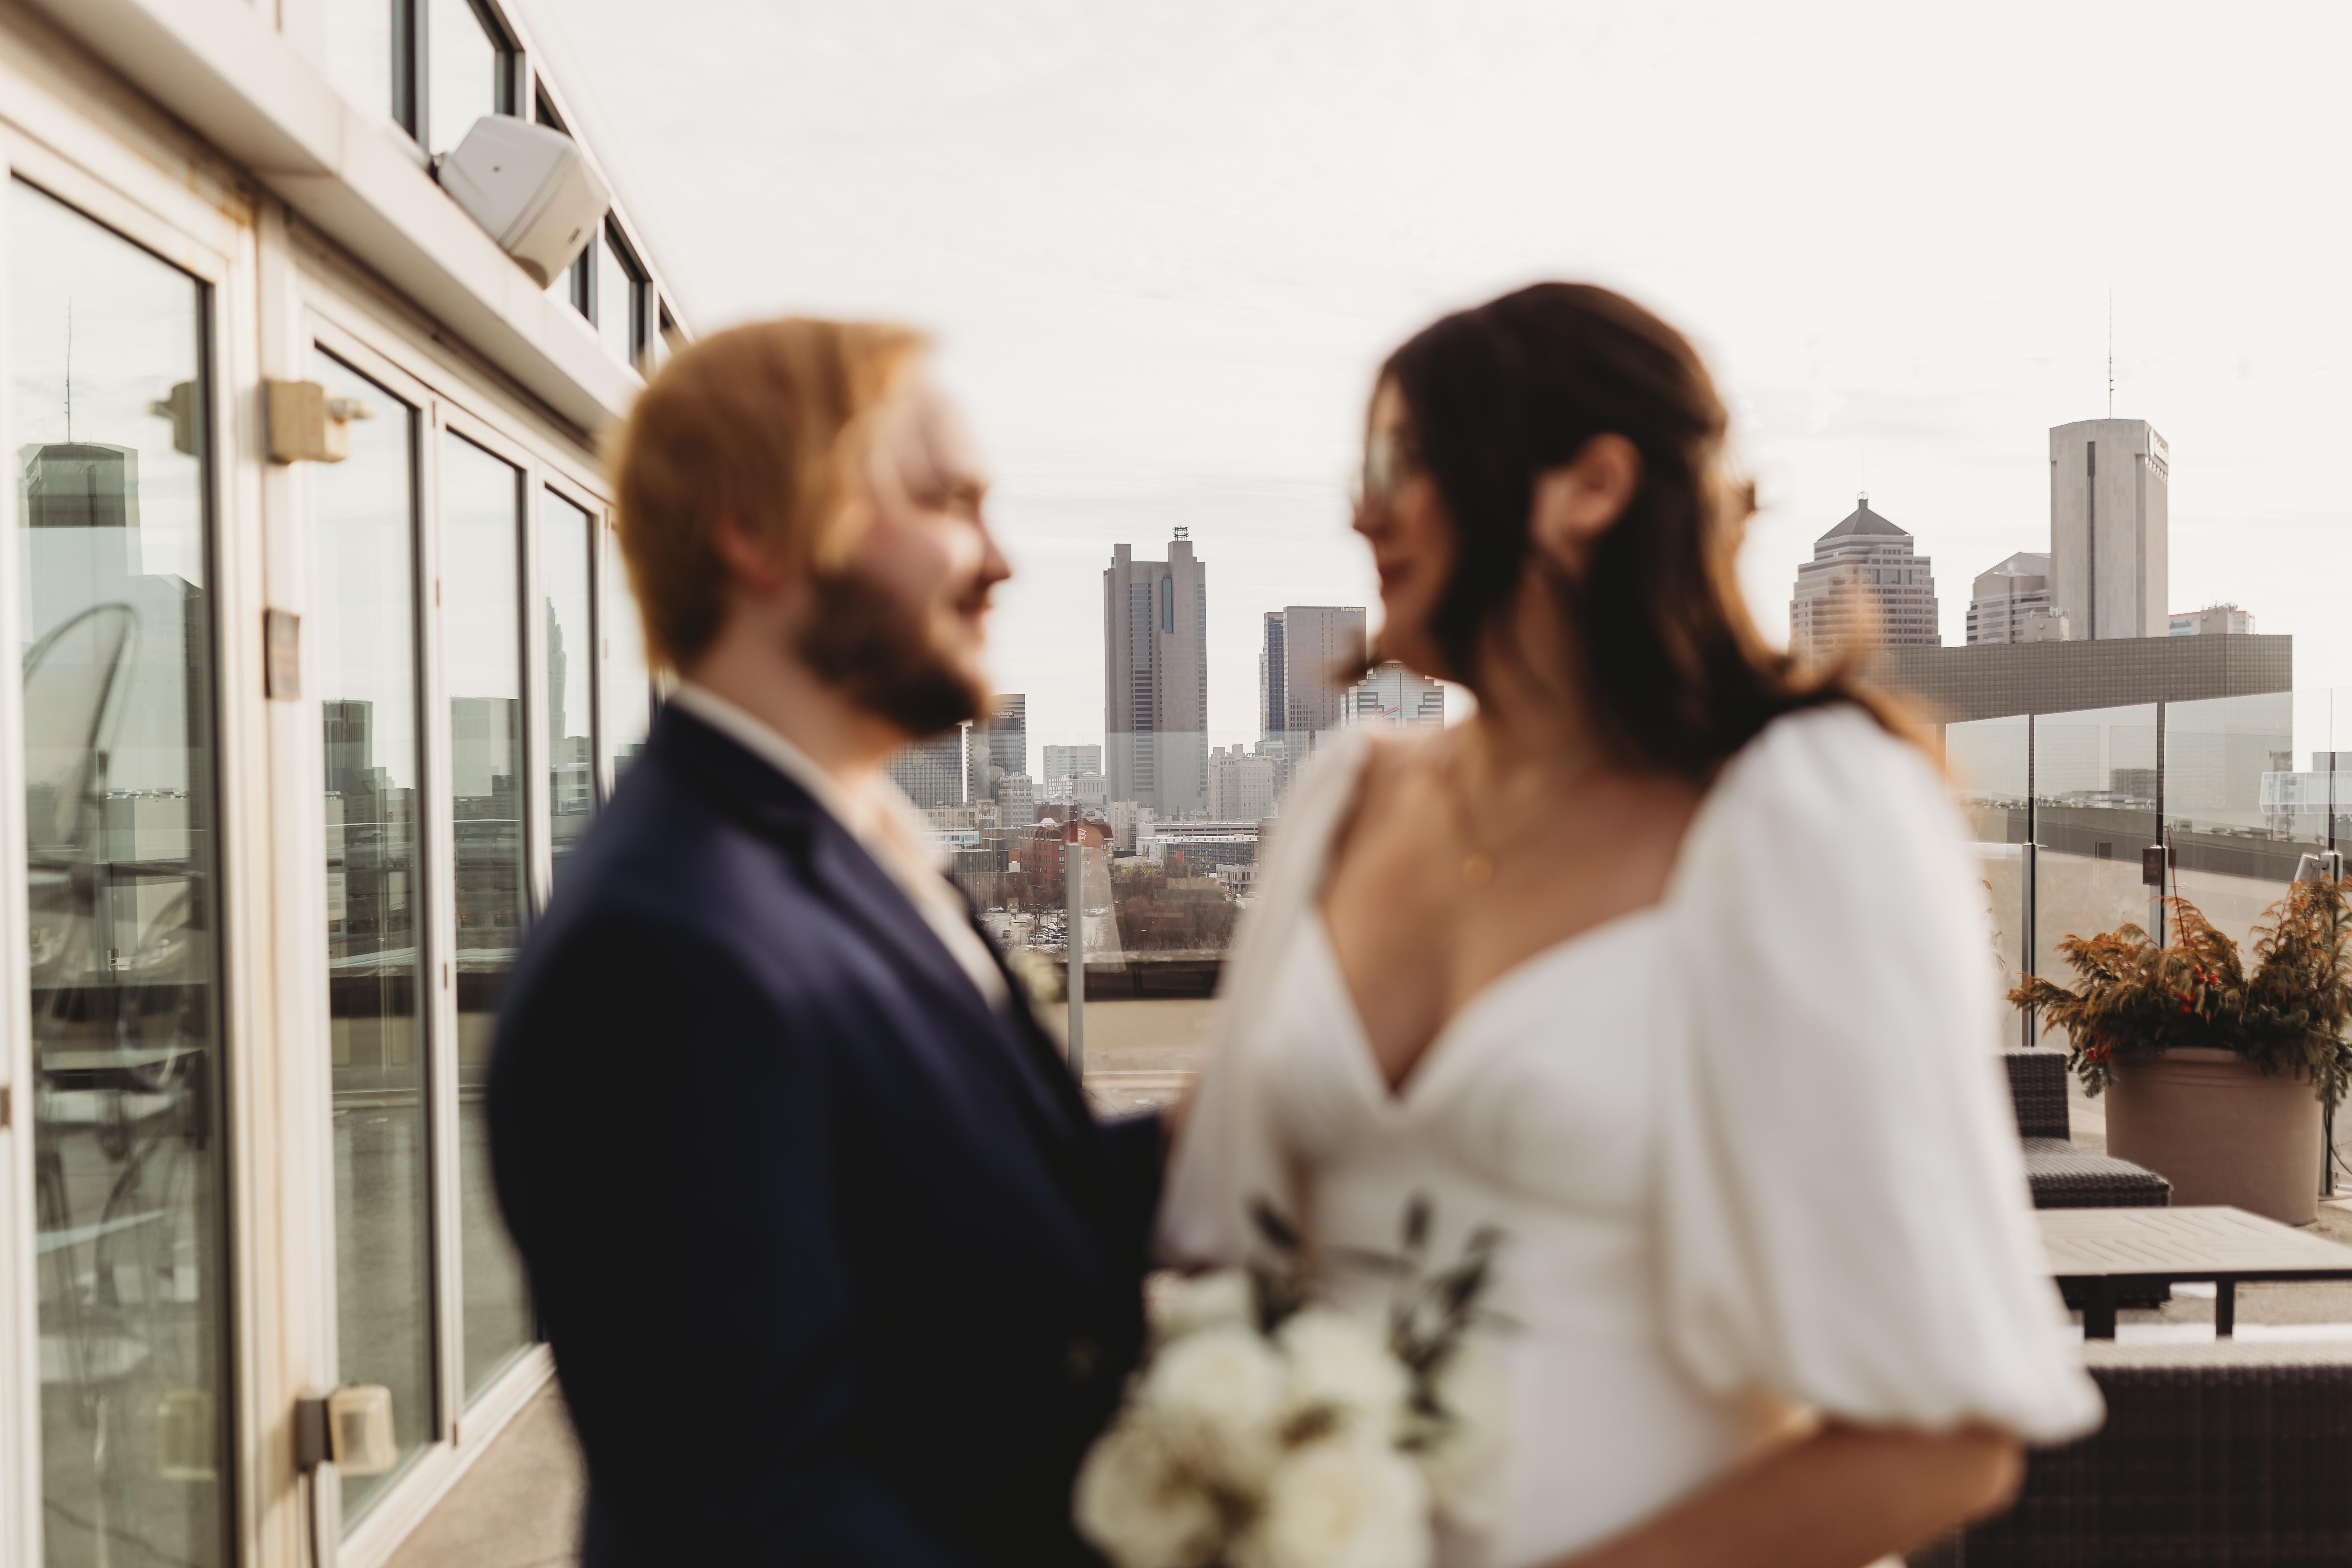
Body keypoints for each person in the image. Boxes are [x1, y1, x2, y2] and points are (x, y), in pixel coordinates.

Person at [1158, 283, 2102, 1568]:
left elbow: (1945, 1442)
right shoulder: (1344, 799)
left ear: (1590, 487)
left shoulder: (1805, 811)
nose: (1360, 512)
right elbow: (1211, 1243)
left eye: (1399, 465)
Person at [490, 319, 1158, 1567]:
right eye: (945, 501)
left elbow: (936, 1226)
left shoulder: (847, 844)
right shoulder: (661, 954)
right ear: (757, 531)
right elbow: (756, 1510)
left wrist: (1210, 1140)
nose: (1001, 561)